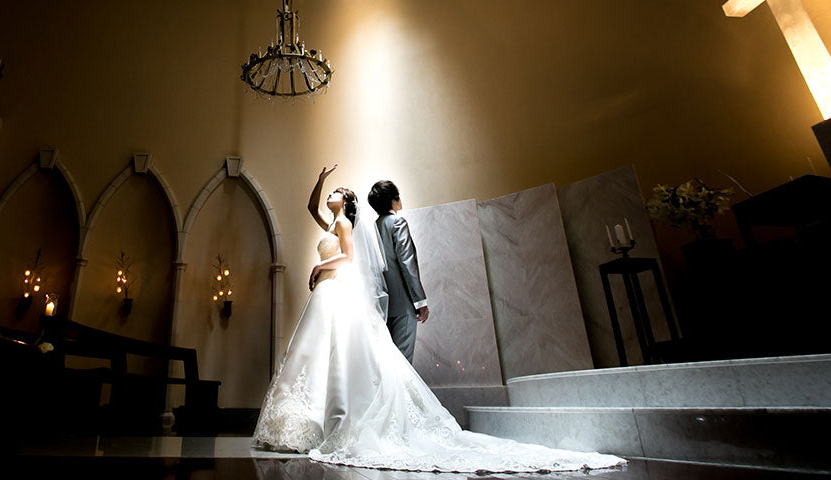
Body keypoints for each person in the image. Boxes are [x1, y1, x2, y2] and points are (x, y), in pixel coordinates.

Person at [252, 165, 624, 474]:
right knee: (359, 362)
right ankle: (346, 420)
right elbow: (393, 254)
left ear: (349, 202)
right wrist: (319, 180)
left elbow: (356, 259)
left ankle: (363, 416)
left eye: (337, 191)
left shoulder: (354, 226)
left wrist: (321, 264)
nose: (333, 195)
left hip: (344, 294)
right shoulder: (360, 223)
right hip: (354, 297)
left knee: (362, 360)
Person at [367, 179, 428, 362]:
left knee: (388, 365)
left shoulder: (371, 229)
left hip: (381, 306)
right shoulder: (397, 223)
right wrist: (420, 301)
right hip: (403, 304)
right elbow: (407, 263)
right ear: (393, 200)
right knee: (403, 365)